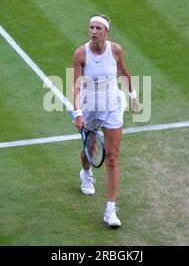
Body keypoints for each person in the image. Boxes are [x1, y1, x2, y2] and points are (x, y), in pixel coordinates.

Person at [72, 14, 139, 228]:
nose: (93, 31)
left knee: (112, 158)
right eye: (91, 27)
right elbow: (75, 86)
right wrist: (78, 113)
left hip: (112, 106)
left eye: (98, 28)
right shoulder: (81, 54)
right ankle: (86, 172)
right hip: (89, 106)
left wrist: (133, 96)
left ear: (106, 32)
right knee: (89, 151)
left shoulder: (116, 50)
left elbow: (124, 72)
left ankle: (110, 210)